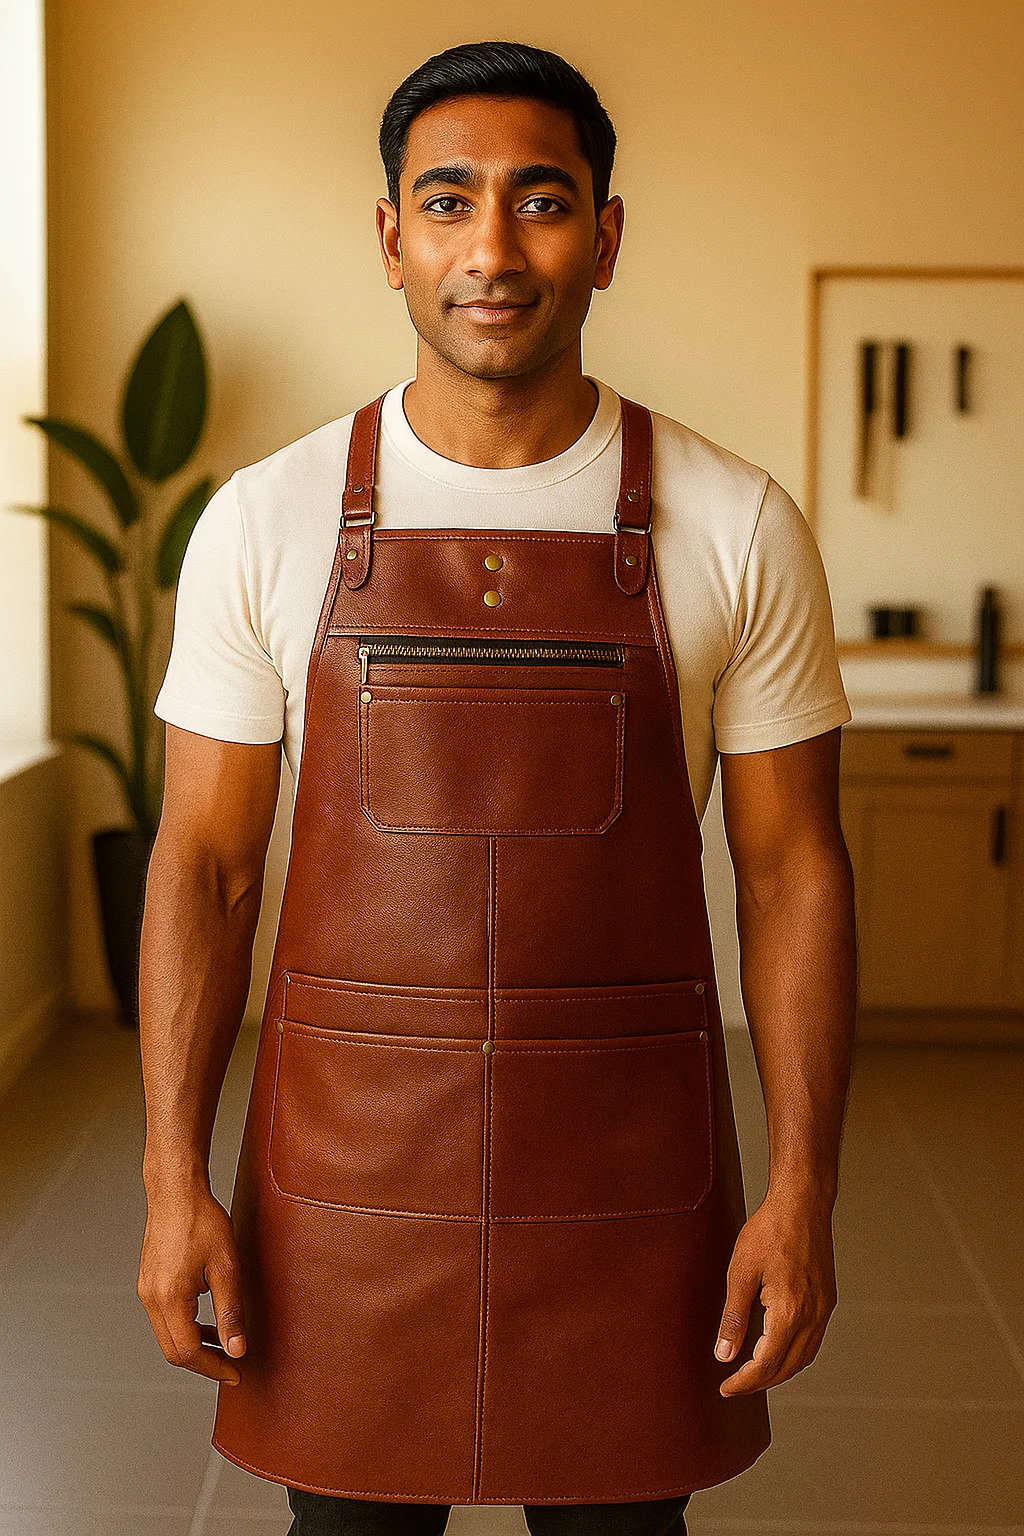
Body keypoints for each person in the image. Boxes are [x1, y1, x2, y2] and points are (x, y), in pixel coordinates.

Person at [137, 39, 857, 1536]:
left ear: (603, 235)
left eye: (540, 202)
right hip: (340, 1182)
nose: (491, 248)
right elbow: (204, 870)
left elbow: (796, 875)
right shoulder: (263, 523)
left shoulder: (737, 523)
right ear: (391, 237)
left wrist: (800, 1194)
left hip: (631, 1183)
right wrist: (170, 1180)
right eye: (447, 201)